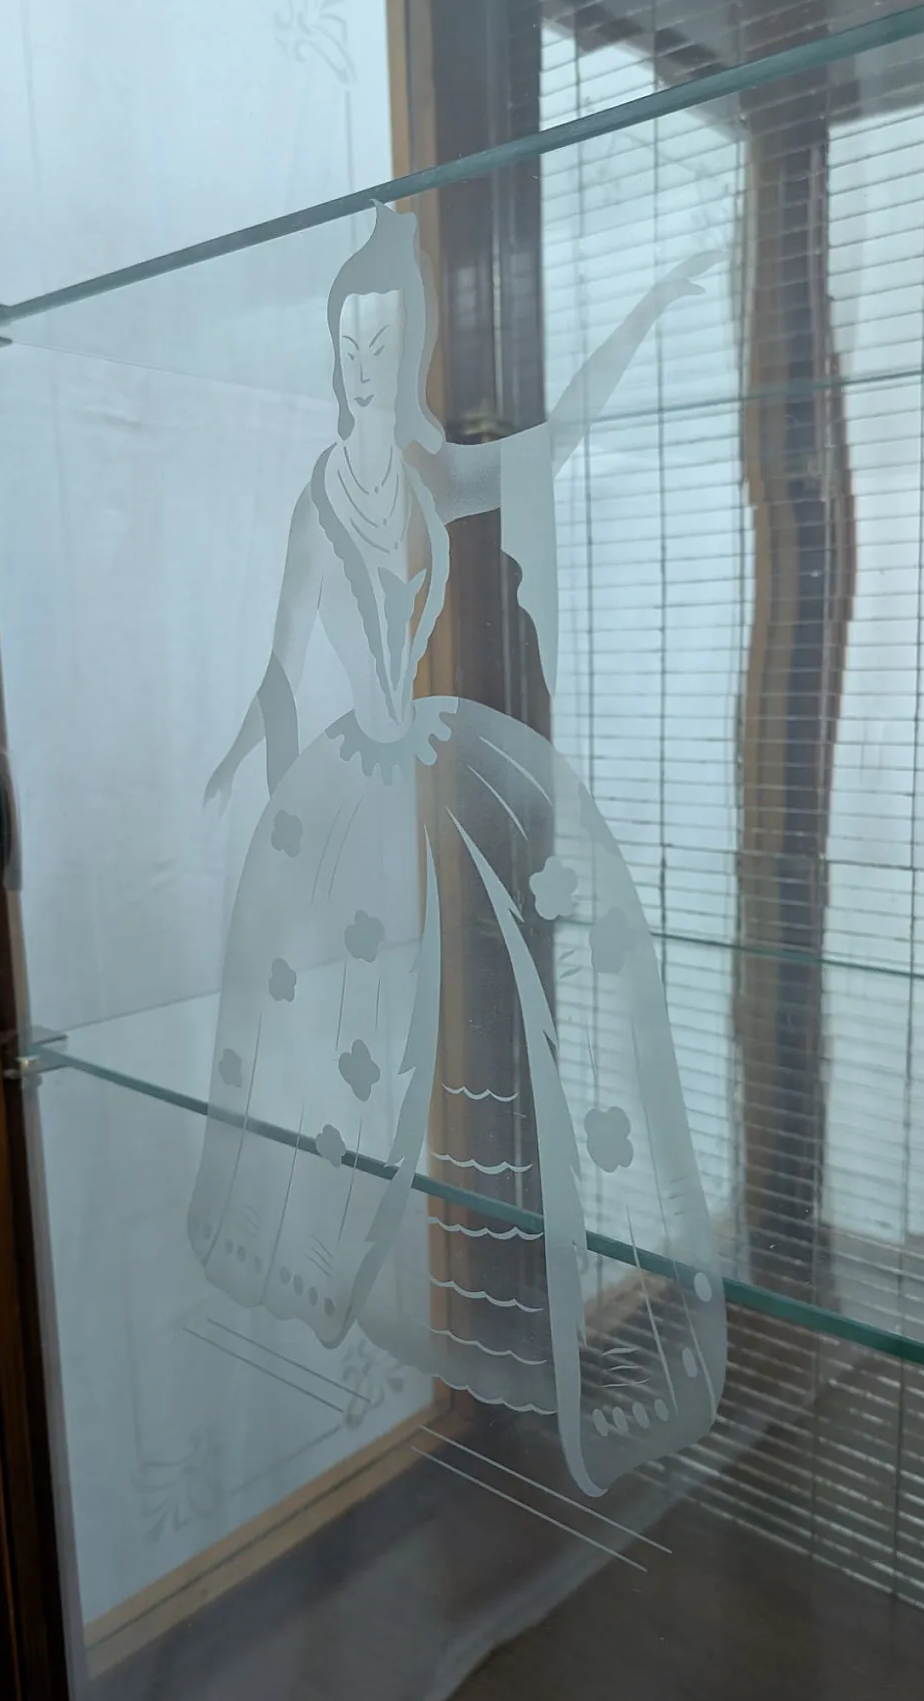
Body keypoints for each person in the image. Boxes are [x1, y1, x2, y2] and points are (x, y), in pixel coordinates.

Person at [187, 203, 726, 1497]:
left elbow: (557, 438)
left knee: (533, 1004)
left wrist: (652, 310)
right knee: (356, 1049)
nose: (362, 360)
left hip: (447, 759)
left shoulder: (429, 473)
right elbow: (275, 670)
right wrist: (271, 830)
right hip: (356, 790)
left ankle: (565, 1317)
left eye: (382, 337)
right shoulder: (323, 500)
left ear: (412, 340)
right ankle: (340, 1263)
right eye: (347, 340)